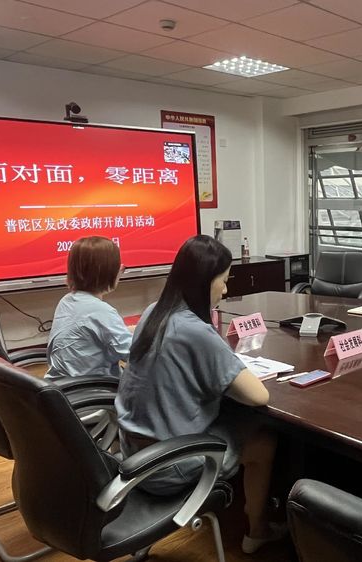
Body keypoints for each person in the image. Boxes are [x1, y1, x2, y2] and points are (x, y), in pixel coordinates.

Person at [115, 235, 284, 554]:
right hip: (168, 464)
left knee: (232, 412)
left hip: (133, 455)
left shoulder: (153, 312)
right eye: (224, 280)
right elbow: (258, 396)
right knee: (264, 438)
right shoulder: (195, 330)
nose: (226, 290)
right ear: (205, 282)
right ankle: (257, 529)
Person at [45, 236, 131, 381]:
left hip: (61, 385)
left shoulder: (66, 301)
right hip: (92, 388)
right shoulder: (100, 311)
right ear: (111, 271)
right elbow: (134, 355)